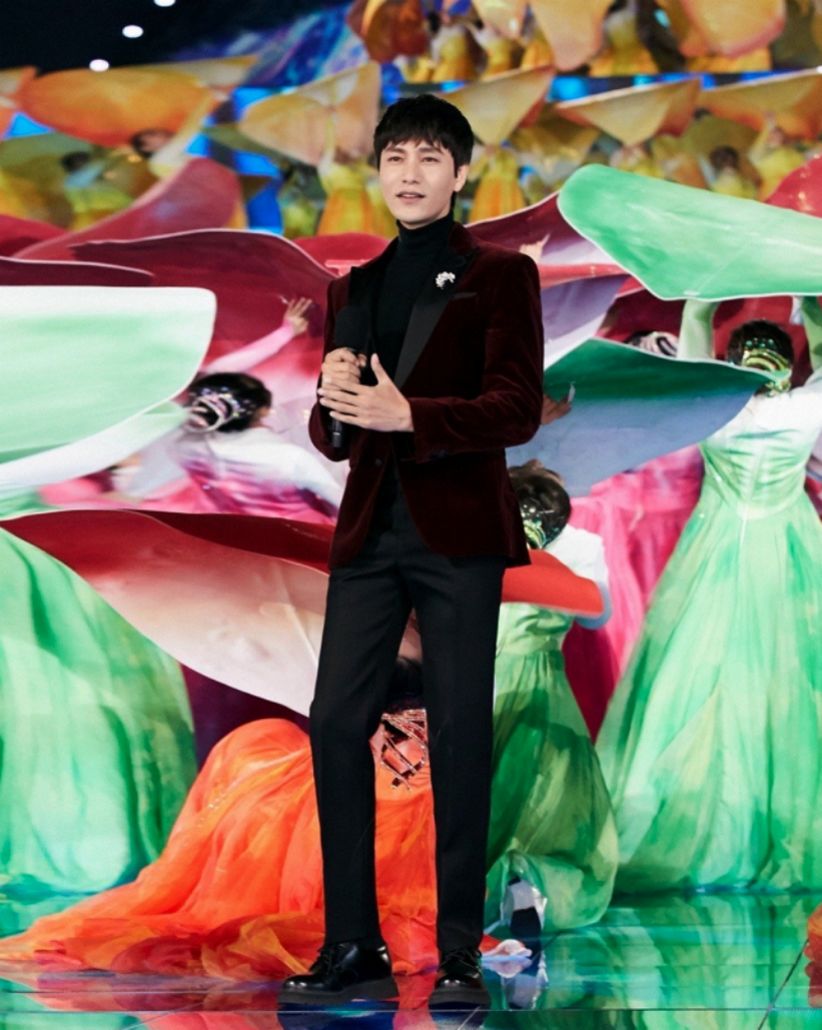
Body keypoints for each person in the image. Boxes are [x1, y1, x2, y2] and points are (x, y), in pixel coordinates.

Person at [286, 93, 544, 1004]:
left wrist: (412, 416)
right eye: (396, 157)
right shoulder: (351, 288)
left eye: (430, 157)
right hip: (370, 532)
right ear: (378, 170)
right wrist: (331, 404)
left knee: (460, 733)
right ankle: (353, 942)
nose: (410, 173)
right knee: (334, 722)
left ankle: (461, 950)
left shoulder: (499, 275)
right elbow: (336, 437)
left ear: (460, 172)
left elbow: (516, 408)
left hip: (458, 534)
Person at [596, 296, 822, 891]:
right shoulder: (806, 409)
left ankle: (704, 826)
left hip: (717, 546)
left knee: (698, 678)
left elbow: (695, 348)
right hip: (788, 549)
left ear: (734, 363)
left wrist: (700, 298)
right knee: (788, 682)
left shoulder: (714, 411)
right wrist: (810, 307)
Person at [487, 462, 618, 936]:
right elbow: (597, 616)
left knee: (486, 794)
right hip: (543, 687)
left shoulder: (484, 538)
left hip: (482, 683)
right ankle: (531, 878)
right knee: (549, 797)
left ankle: (490, 885)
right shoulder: (581, 547)